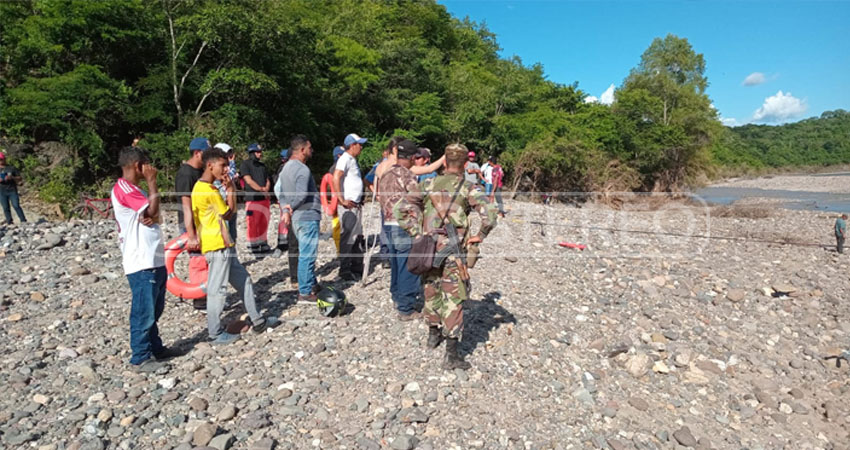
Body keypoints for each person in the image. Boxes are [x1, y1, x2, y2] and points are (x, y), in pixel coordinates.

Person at [395, 143, 498, 370]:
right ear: (465, 164)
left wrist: (417, 233)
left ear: (445, 162)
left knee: (430, 289)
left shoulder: (427, 183)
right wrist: (480, 236)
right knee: (453, 298)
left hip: (428, 248)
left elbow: (399, 209)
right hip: (452, 250)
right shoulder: (469, 187)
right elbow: (490, 215)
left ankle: (433, 335)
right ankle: (451, 355)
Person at [192, 148, 274, 345]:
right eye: (223, 165)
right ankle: (215, 333)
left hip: (222, 244)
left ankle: (257, 320)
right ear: (210, 165)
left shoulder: (201, 187)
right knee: (217, 290)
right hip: (217, 245)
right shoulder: (208, 190)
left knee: (244, 281)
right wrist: (230, 189)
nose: (226, 169)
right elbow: (228, 214)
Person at [111, 146, 180, 371]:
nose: (150, 168)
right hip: (140, 260)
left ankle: (155, 347)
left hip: (153, 258)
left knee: (154, 308)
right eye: (146, 164)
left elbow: (155, 215)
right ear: (137, 165)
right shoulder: (124, 188)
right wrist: (152, 182)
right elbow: (152, 212)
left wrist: (152, 212)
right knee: (143, 310)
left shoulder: (135, 190)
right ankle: (140, 356)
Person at [378, 139, 423, 321]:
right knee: (408, 266)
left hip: (388, 224)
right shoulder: (407, 176)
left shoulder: (386, 174)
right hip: (404, 226)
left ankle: (397, 297)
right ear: (412, 157)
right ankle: (406, 308)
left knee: (396, 264)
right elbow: (417, 198)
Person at [280, 135, 323, 303]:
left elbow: (281, 193)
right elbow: (302, 195)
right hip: (307, 215)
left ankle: (312, 284)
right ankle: (304, 292)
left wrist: (286, 209)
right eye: (310, 148)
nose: (312, 151)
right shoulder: (303, 169)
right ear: (302, 149)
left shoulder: (285, 169)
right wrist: (291, 207)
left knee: (304, 252)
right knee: (308, 255)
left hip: (297, 218)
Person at [175, 137, 210, 310]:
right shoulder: (186, 174)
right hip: (192, 224)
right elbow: (186, 204)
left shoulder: (200, 171)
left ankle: (208, 295)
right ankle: (200, 298)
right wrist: (191, 234)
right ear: (197, 153)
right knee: (198, 261)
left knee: (207, 260)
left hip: (204, 222)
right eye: (207, 154)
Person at [333, 133, 368, 281]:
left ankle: (356, 266)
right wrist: (341, 199)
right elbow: (336, 176)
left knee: (356, 236)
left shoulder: (351, 160)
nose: (361, 147)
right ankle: (345, 269)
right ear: (352, 145)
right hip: (349, 206)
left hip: (355, 204)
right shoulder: (345, 159)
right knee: (348, 237)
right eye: (359, 144)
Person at [274, 148, 299, 289]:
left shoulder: (295, 169)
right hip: (293, 211)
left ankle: (300, 276)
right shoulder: (285, 170)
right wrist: (287, 206)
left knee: (299, 245)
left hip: (299, 212)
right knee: (294, 244)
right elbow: (278, 189)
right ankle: (295, 277)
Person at [241, 143, 272, 254]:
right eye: (257, 152)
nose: (260, 154)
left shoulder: (263, 166)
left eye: (260, 152)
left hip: (264, 198)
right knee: (253, 223)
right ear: (252, 153)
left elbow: (268, 179)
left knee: (264, 221)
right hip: (252, 198)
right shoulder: (245, 165)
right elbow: (248, 180)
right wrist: (261, 189)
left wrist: (266, 188)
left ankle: (263, 243)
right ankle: (253, 244)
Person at [213, 143, 238, 243]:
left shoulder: (226, 168)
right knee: (226, 238)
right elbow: (230, 176)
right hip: (223, 209)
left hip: (231, 208)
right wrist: (232, 163)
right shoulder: (216, 171)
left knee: (232, 237)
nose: (229, 157)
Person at [0, 152, 27, 225]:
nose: (0, 161)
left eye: (1, 159)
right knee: (5, 207)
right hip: (2, 191)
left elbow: (20, 178)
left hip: (12, 190)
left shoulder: (11, 168)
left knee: (16, 205)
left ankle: (23, 220)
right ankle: (10, 222)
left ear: (4, 159)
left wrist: (12, 177)